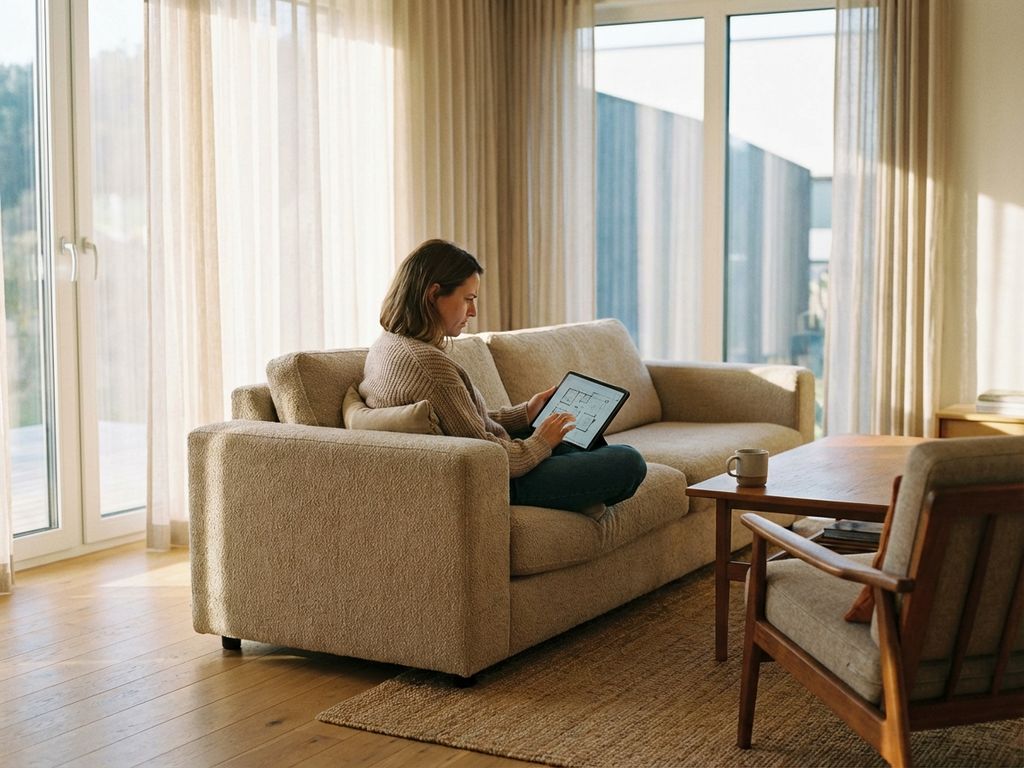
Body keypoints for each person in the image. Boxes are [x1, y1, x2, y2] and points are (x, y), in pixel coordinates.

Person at [359, 238, 647, 514]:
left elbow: (462, 423)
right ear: (433, 295)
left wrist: (525, 413)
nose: (473, 311)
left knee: (575, 435)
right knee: (628, 461)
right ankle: (580, 493)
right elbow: (488, 456)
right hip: (504, 481)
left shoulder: (386, 344)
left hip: (494, 462)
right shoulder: (428, 366)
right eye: (468, 299)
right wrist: (541, 442)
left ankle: (580, 488)